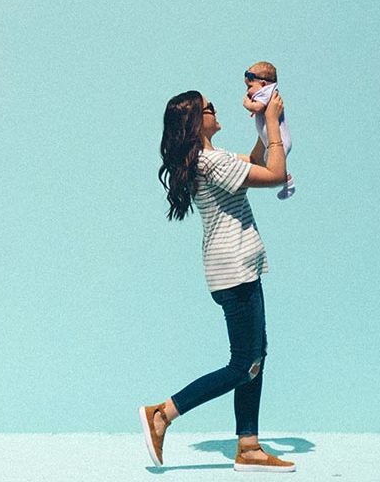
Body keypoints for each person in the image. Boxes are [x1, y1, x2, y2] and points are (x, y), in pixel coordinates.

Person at [138, 89, 296, 473]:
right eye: (209, 108)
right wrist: (274, 124)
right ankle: (163, 413)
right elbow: (274, 174)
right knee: (244, 363)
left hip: (235, 266)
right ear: (196, 122)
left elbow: (257, 161)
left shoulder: (215, 160)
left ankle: (249, 446)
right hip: (235, 268)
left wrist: (263, 122)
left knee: (255, 355)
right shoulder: (211, 163)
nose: (216, 110)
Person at [242, 62, 295, 200]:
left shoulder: (267, 92)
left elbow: (258, 108)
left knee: (271, 169)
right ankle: (286, 180)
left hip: (280, 141)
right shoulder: (264, 91)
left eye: (249, 87)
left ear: (263, 84)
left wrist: (247, 104)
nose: (247, 91)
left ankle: (287, 181)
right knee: (266, 164)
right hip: (271, 141)